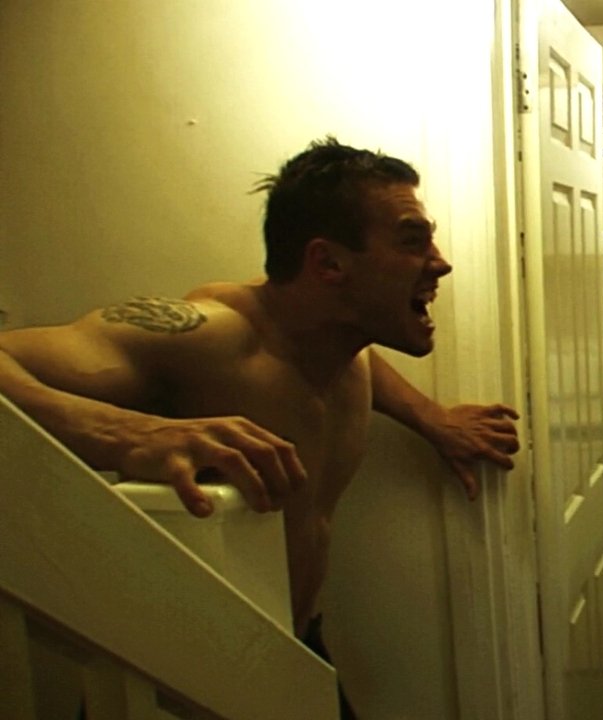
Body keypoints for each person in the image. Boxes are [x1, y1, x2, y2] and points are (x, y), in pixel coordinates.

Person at [0, 137, 520, 718]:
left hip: (294, 649)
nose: (440, 262)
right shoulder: (212, 337)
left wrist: (431, 418)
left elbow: (365, 361)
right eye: (411, 240)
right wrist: (126, 435)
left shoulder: (342, 342)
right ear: (328, 264)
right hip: (176, 676)